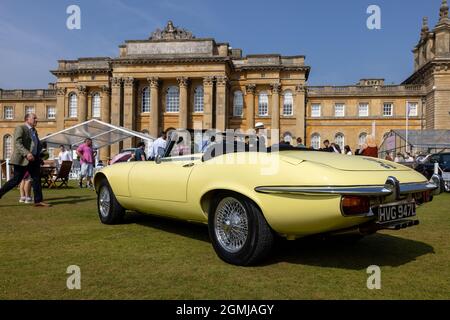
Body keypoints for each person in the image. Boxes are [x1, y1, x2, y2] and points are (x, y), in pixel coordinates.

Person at [0, 113, 51, 207]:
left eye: (36, 118)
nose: (37, 120)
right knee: (15, 180)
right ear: (27, 119)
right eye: (34, 118)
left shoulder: (34, 131)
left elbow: (37, 145)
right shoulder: (20, 128)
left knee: (36, 179)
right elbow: (17, 143)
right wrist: (27, 153)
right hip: (22, 159)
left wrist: (42, 153)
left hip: (34, 159)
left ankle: (38, 201)